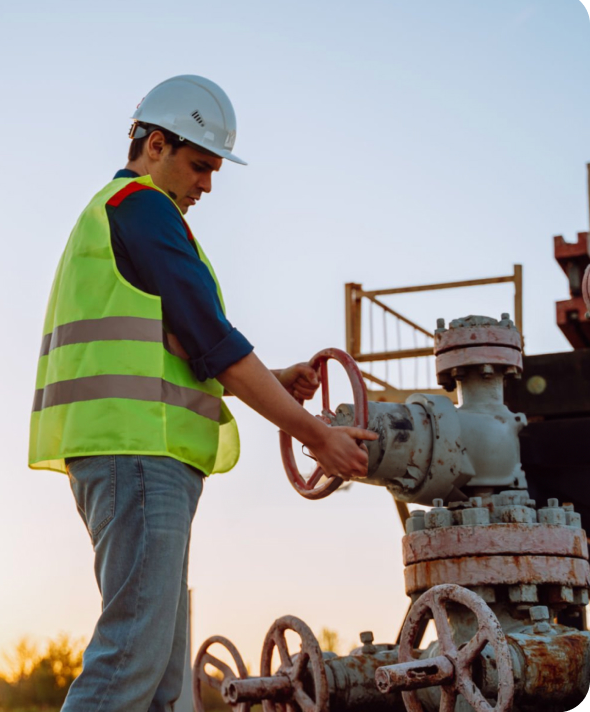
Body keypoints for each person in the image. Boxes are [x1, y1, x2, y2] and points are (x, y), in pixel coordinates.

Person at [28, 75, 377, 712]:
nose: (208, 186)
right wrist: (314, 433)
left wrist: (276, 377)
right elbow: (213, 340)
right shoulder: (140, 207)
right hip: (137, 454)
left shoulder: (128, 216)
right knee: (130, 661)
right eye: (200, 166)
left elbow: (191, 348)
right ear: (155, 145)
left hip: (136, 456)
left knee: (160, 678)